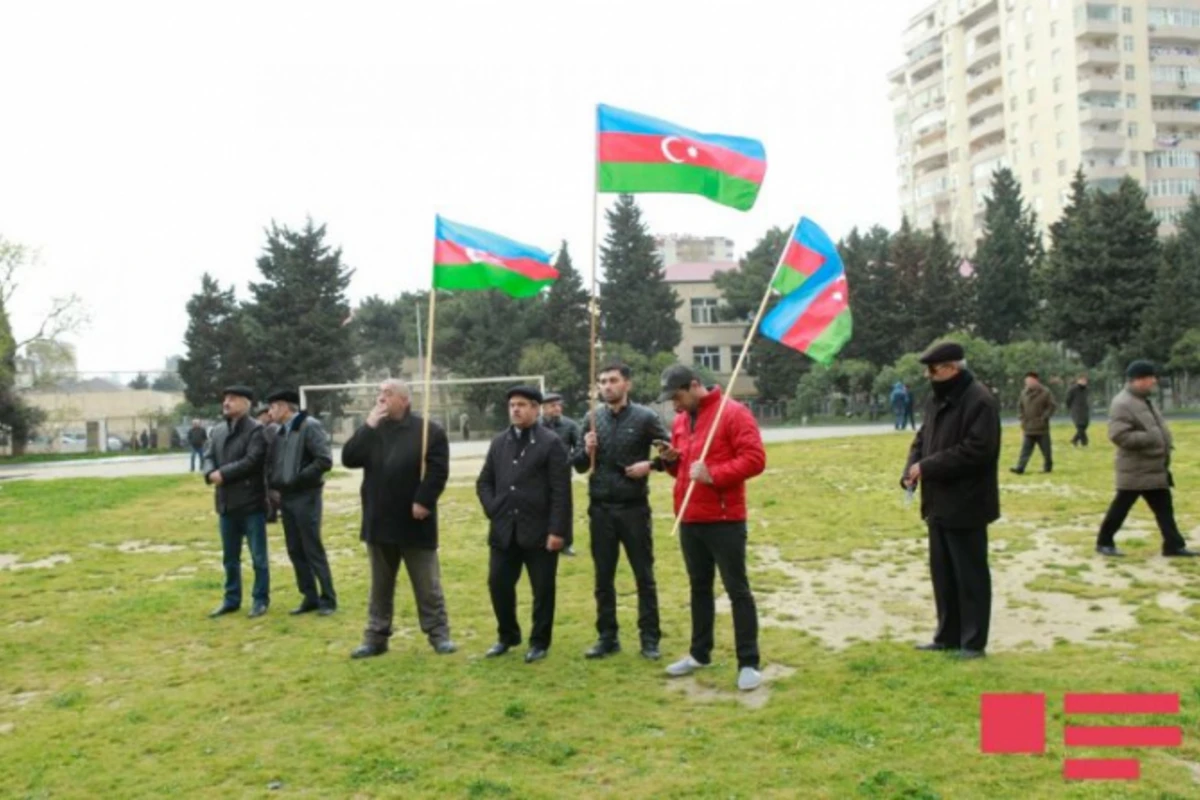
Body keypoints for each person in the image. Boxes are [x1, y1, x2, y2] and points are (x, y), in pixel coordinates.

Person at [656, 365, 767, 692]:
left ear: (693, 386)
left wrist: (714, 474)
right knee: (698, 588)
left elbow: (755, 459)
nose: (674, 405)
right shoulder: (679, 421)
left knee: (737, 590)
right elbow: (681, 472)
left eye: (677, 396)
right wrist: (671, 460)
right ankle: (699, 653)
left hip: (724, 519)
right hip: (689, 517)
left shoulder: (733, 414)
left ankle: (748, 662)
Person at [342, 379, 455, 658]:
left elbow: (438, 471)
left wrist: (423, 500)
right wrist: (368, 425)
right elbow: (349, 458)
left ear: (404, 400)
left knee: (427, 585)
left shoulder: (429, 431)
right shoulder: (373, 430)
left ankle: (438, 634)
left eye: (387, 394)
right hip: (378, 520)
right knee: (380, 587)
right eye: (379, 393)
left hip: (415, 521)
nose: (381, 398)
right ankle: (375, 638)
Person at [903, 342, 1000, 659]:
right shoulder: (937, 399)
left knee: (970, 575)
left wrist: (928, 467)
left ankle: (973, 643)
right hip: (938, 503)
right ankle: (947, 635)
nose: (928, 376)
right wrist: (911, 469)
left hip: (967, 502)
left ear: (952, 368)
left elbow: (977, 450)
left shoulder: (980, 400)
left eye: (933, 370)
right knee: (943, 574)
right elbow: (922, 439)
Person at [573, 364, 671, 661]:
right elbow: (578, 465)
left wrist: (651, 465)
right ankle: (607, 636)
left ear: (626, 384)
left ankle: (650, 639)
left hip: (633, 508)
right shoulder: (591, 418)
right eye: (602, 382)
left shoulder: (645, 417)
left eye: (613, 381)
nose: (607, 386)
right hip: (600, 508)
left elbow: (671, 453)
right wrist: (585, 450)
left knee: (644, 575)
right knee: (603, 577)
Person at [476, 385, 572, 664]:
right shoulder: (499, 442)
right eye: (511, 405)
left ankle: (539, 641)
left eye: (521, 404)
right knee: (498, 584)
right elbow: (484, 481)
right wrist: (493, 508)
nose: (515, 409)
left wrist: (557, 531)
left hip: (540, 532)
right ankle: (507, 635)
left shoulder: (550, 442)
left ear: (535, 408)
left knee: (543, 589)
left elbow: (561, 491)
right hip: (504, 530)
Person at [1095, 361, 1197, 559]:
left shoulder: (1143, 400)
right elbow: (1119, 436)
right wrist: (1151, 439)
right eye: (1150, 377)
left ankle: (1173, 546)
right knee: (1121, 507)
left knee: (1165, 509)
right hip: (1136, 468)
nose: (1154, 381)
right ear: (1138, 380)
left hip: (1153, 467)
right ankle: (1104, 542)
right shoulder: (1122, 403)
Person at [202, 385, 270, 619]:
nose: (226, 403)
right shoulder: (219, 430)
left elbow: (252, 460)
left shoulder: (256, 430)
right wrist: (210, 472)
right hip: (226, 504)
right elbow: (208, 455)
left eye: (232, 399)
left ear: (245, 403)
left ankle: (260, 600)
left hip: (251, 503)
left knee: (258, 557)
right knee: (230, 558)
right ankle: (231, 599)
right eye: (225, 398)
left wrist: (224, 474)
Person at [267, 389, 336, 616]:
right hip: (286, 498)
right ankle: (309, 596)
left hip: (306, 496)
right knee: (295, 548)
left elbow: (324, 460)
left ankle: (328, 599)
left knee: (312, 547)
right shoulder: (280, 432)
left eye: (274, 407)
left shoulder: (309, 426)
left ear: (286, 407)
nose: (270, 412)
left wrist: (298, 478)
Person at [541, 391, 582, 557]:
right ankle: (543, 540)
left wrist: (569, 460)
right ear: (543, 408)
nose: (557, 409)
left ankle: (566, 543)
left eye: (559, 405)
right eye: (552, 406)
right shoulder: (536, 426)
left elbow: (579, 447)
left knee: (564, 508)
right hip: (539, 475)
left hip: (562, 475)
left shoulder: (570, 426)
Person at [1011, 371, 1056, 475]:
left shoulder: (1045, 392)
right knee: (1025, 450)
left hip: (1041, 427)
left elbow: (1052, 406)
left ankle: (1047, 468)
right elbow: (1020, 406)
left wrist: (1044, 417)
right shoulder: (1024, 393)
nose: (1028, 383)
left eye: (1030, 381)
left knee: (1046, 451)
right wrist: (1021, 418)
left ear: (1036, 380)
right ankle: (1020, 468)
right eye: (1026, 381)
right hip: (1028, 427)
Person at [1065, 374, 1091, 448]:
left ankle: (1074, 440)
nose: (1084, 382)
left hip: (1085, 410)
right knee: (1080, 426)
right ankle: (1084, 442)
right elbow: (1068, 400)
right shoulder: (1073, 389)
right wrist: (1070, 408)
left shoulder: (1087, 389)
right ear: (1078, 380)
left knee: (1085, 425)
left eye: (1085, 380)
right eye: (1082, 380)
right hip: (1076, 410)